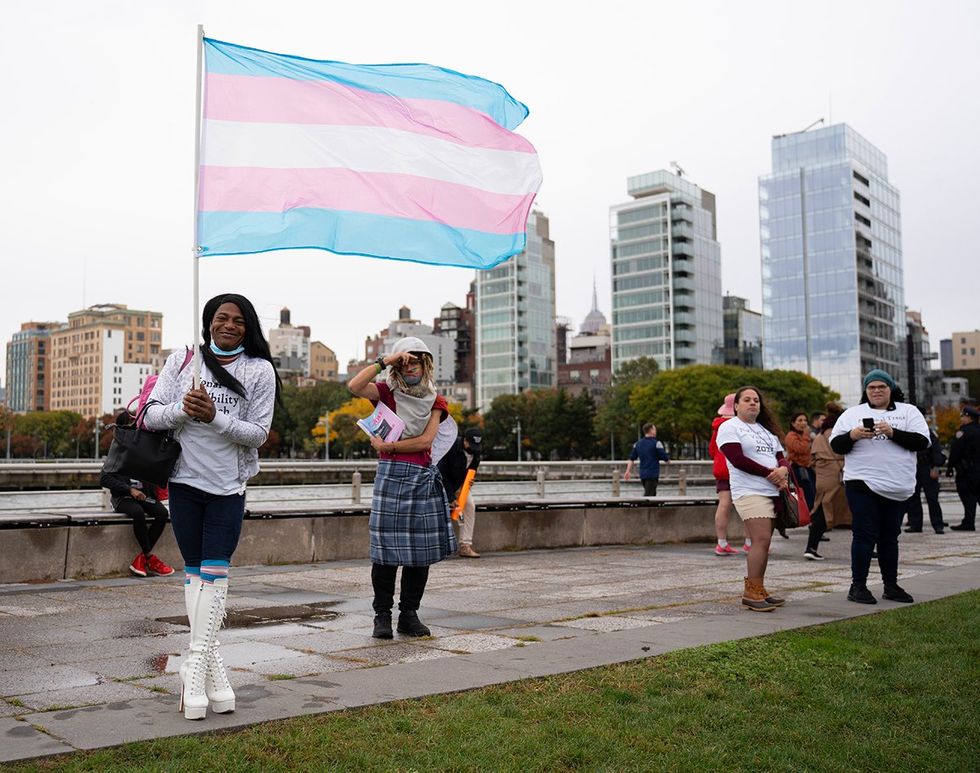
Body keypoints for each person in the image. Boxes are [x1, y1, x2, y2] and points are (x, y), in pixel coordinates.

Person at [144, 293, 281, 720]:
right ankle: (212, 671)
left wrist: (214, 417)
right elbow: (149, 415)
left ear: (248, 327)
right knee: (194, 573)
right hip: (184, 484)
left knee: (215, 573)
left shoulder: (259, 371)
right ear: (208, 323)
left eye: (238, 320)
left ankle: (194, 664)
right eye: (221, 318)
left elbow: (258, 433)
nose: (229, 325)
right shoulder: (183, 361)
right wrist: (182, 412)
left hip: (227, 488)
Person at [348, 336, 456, 640]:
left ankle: (409, 614)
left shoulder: (436, 400)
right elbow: (354, 386)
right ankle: (381, 616)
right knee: (383, 553)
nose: (412, 367)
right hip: (391, 475)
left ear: (427, 365)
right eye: (406, 361)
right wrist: (386, 360)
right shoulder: (387, 392)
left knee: (419, 554)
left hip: (420, 475)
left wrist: (389, 446)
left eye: (417, 361)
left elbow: (425, 441)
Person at [830, 369, 929, 605]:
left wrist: (893, 432)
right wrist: (853, 435)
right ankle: (858, 586)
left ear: (890, 389)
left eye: (881, 387)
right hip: (862, 482)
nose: (876, 391)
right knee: (864, 534)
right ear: (865, 391)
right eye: (871, 387)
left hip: (898, 485)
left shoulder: (909, 411)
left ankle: (891, 585)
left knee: (890, 537)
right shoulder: (852, 414)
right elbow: (836, 445)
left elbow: (922, 442)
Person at [717, 386, 790, 612]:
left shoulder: (766, 431)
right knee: (760, 540)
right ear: (736, 405)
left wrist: (784, 471)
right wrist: (771, 474)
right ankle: (751, 592)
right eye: (747, 400)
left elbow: (781, 458)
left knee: (765, 542)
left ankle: (758, 588)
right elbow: (737, 459)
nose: (752, 403)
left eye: (756, 400)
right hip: (749, 491)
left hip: (772, 491)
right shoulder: (729, 427)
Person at [100, 413, 175, 578]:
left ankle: (142, 558)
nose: (136, 427)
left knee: (162, 514)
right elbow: (104, 478)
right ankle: (149, 557)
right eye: (132, 424)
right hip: (123, 498)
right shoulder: (117, 449)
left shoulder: (142, 446)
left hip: (144, 496)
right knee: (137, 513)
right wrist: (129, 490)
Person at [804, 403, 850, 560]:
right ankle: (867, 549)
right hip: (838, 477)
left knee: (822, 509)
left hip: (823, 479)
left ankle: (811, 547)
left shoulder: (818, 437)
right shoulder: (839, 434)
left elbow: (812, 459)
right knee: (858, 511)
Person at [708, 394, 749, 555]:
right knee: (747, 505)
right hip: (739, 469)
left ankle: (722, 543)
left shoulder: (717, 427)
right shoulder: (739, 426)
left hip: (721, 470)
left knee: (723, 505)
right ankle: (749, 542)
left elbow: (712, 450)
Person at [904, 408, 946, 534]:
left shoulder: (927, 432)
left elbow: (936, 451)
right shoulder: (907, 432)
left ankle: (938, 525)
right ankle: (916, 524)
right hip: (912, 468)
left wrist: (936, 467)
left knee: (932, 498)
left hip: (927, 467)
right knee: (913, 497)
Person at [947, 405, 980, 531]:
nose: (961, 419)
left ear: (968, 417)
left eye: (962, 416)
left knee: (967, 496)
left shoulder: (964, 432)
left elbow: (956, 451)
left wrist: (950, 467)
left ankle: (968, 522)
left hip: (967, 471)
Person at [624, 423, 670, 496]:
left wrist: (627, 471)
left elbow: (631, 459)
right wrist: (668, 460)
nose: (656, 431)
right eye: (654, 429)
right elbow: (664, 457)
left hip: (643, 473)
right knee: (649, 494)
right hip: (653, 473)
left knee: (651, 492)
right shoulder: (656, 443)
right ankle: (642, 507)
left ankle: (653, 507)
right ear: (651, 430)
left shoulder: (638, 444)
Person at [785, 411, 816, 509]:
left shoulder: (804, 436)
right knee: (807, 494)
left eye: (805, 420)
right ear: (793, 423)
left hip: (807, 467)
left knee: (813, 493)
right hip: (797, 469)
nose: (804, 423)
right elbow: (801, 449)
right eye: (800, 420)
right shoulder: (791, 436)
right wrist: (807, 436)